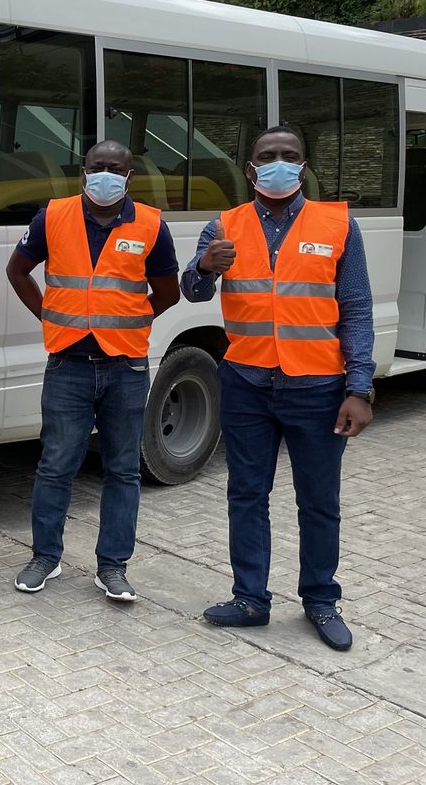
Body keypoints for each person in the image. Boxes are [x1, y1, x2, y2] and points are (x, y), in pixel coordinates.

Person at [182, 125, 374, 651]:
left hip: (317, 386)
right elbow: (193, 292)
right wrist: (202, 267)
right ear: (251, 169)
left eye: (290, 156)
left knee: (319, 501)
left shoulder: (337, 224)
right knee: (246, 494)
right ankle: (250, 599)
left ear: (304, 166)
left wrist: (360, 386)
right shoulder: (225, 225)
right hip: (246, 382)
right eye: (268, 156)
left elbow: (355, 307)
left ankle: (320, 599)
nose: (279, 163)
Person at [6, 140, 179, 602]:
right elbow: (18, 270)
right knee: (56, 464)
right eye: (98, 166)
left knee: (123, 469)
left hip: (126, 365)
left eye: (116, 168)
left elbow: (167, 291)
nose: (106, 175)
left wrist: (131, 322)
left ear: (129, 176)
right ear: (83, 172)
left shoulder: (150, 224)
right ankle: (45, 557)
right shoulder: (54, 216)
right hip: (68, 363)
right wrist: (48, 315)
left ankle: (113, 567)